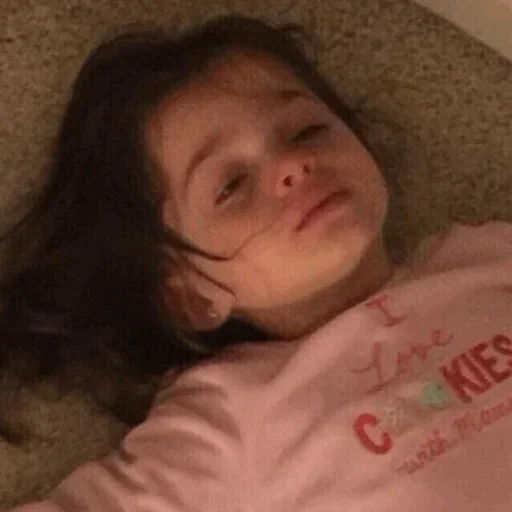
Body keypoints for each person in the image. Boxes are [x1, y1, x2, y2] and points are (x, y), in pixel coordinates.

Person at [4, 14, 512, 512]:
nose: (294, 166)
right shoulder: (229, 419)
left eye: (307, 131)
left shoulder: (484, 255)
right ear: (190, 295)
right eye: (232, 186)